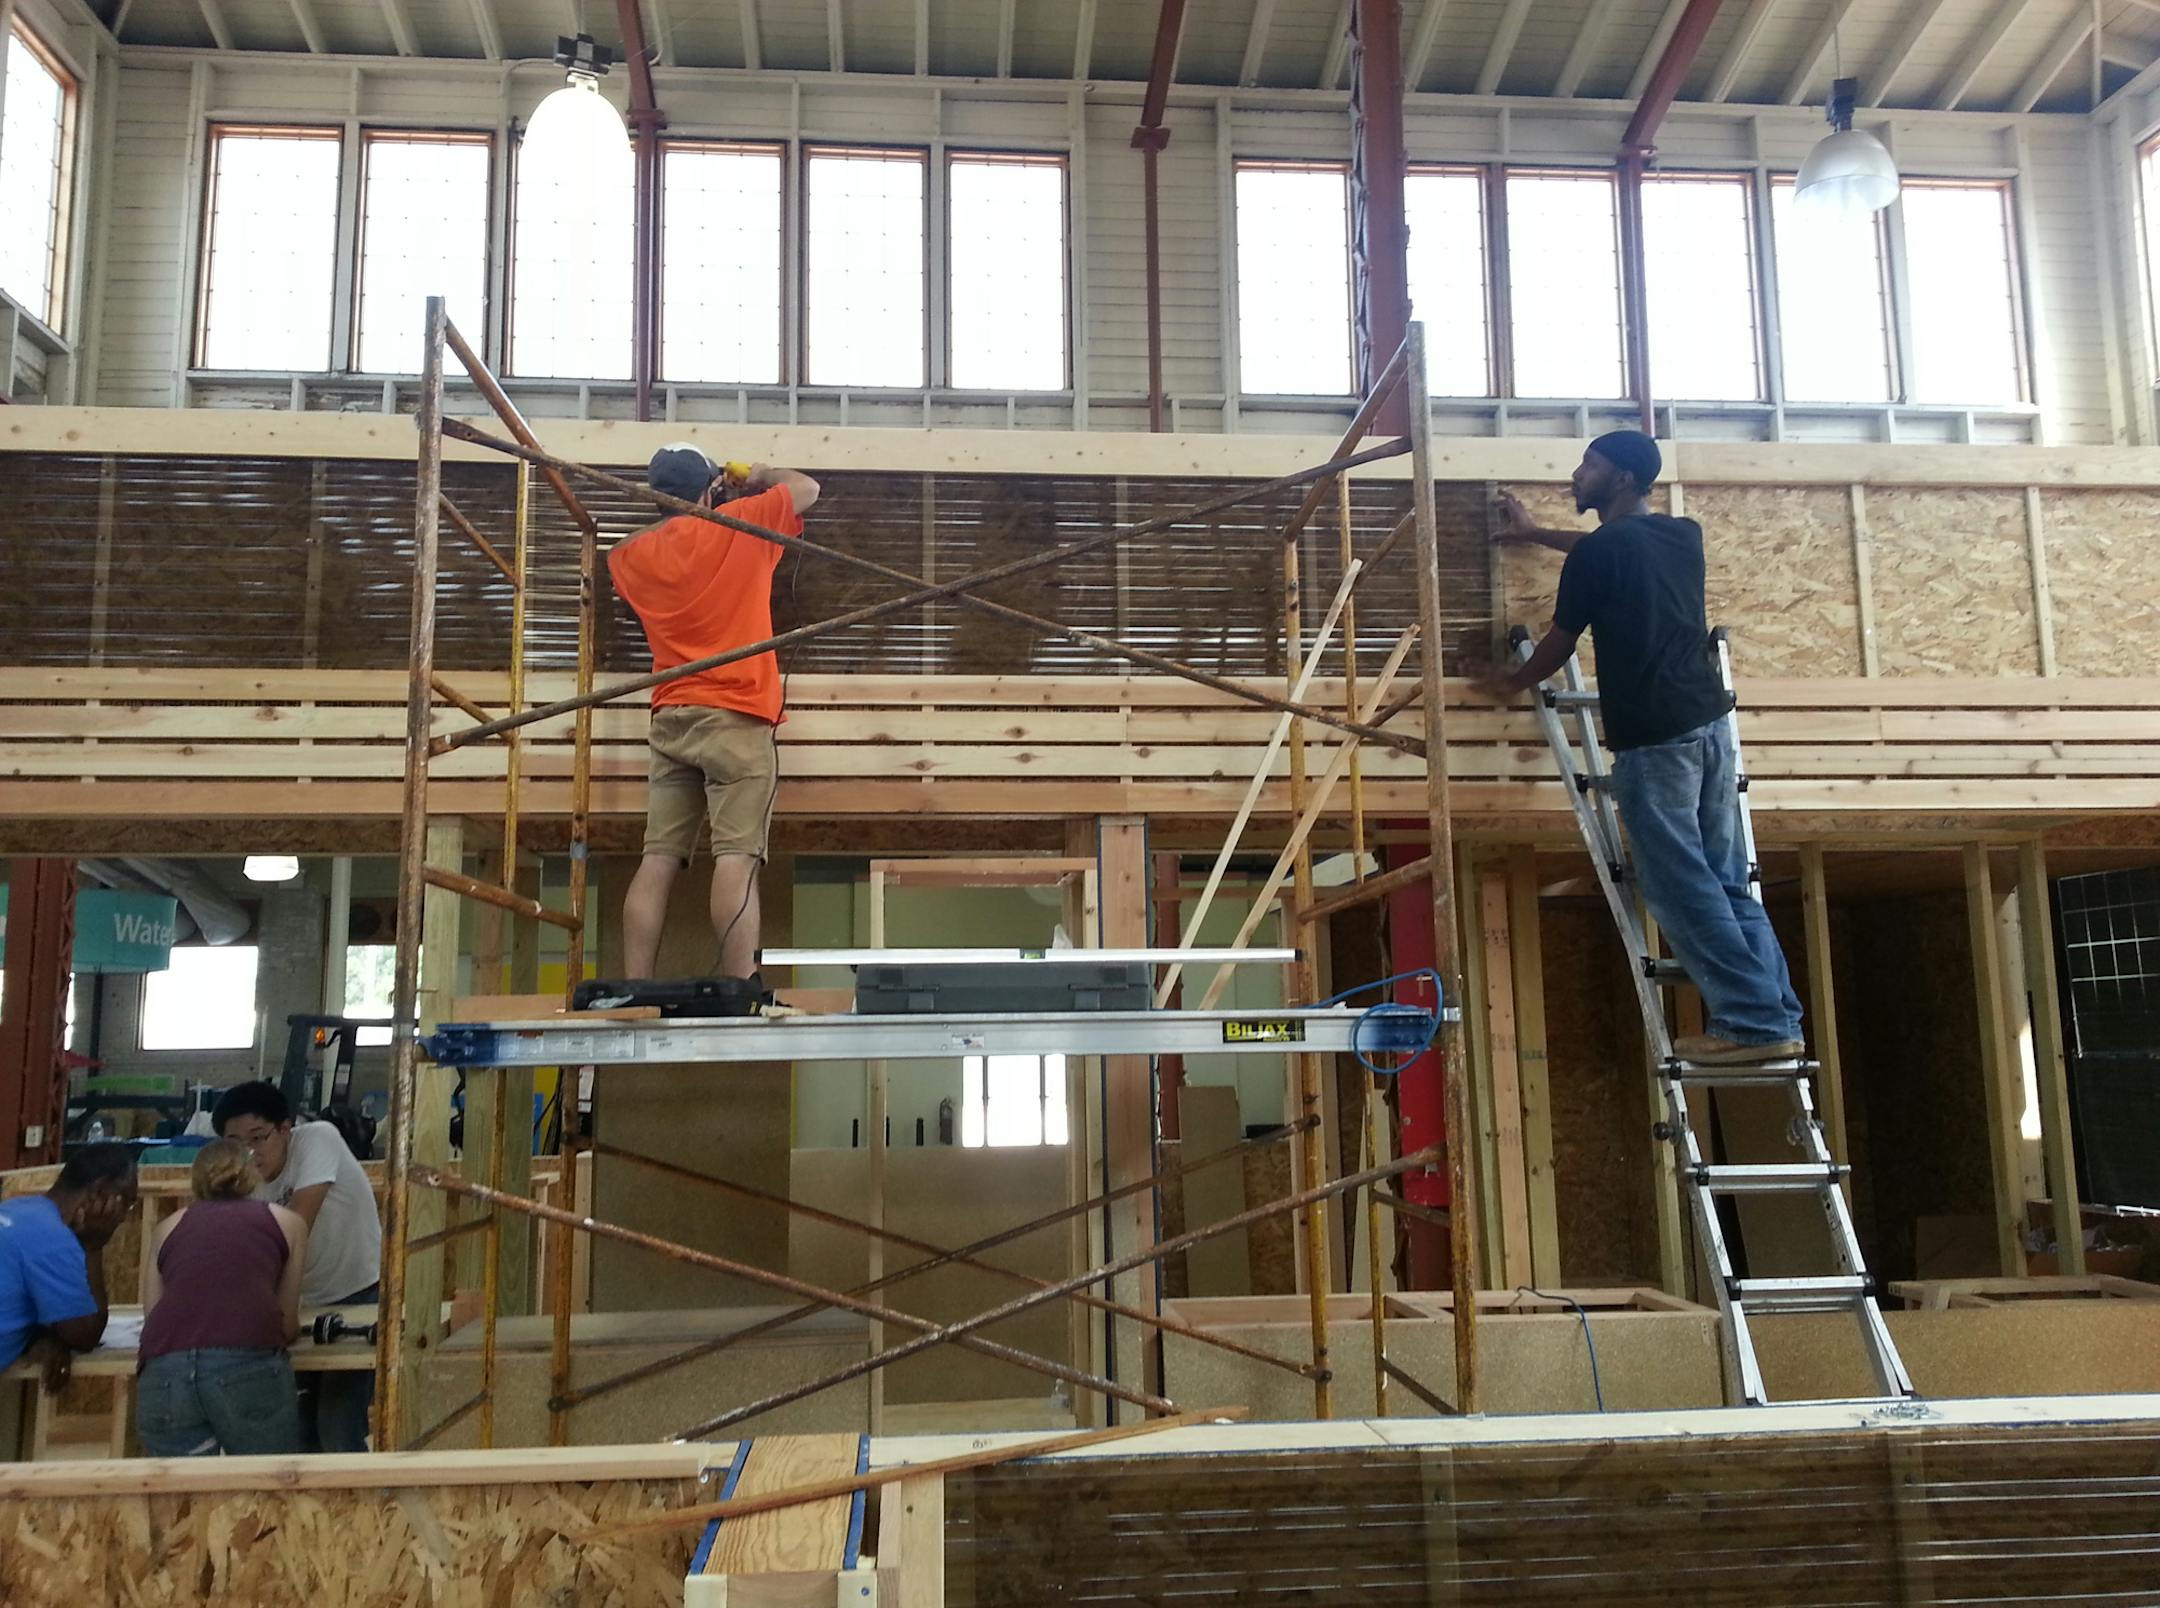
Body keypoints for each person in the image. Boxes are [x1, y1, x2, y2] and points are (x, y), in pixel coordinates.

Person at [1489, 430, 1805, 1066]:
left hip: (1657, 740)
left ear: (1623, 479)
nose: (1577, 475)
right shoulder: (1681, 536)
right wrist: (1536, 534)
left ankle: (1749, 1022)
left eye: (1590, 466)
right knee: (1724, 879)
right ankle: (1774, 1016)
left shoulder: (1601, 556)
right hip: (1710, 726)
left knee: (1679, 884)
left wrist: (1506, 684)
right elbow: (1603, 551)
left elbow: (1558, 645)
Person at [607, 445, 823, 982]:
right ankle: (739, 988)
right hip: (737, 713)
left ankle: (635, 988)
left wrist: (706, 499)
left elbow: (656, 541)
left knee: (657, 858)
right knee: (736, 857)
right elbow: (807, 489)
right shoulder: (742, 523)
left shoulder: (627, 558)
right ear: (710, 490)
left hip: (672, 716)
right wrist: (754, 477)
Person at [211, 1080, 380, 1451]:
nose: (249, 1152)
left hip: (357, 1296)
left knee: (338, 1424)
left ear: (285, 1129)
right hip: (297, 1306)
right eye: (235, 1144)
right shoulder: (238, 1177)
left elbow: (295, 1225)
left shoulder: (318, 1139)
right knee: (298, 1427)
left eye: (259, 1137)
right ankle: (311, 1511)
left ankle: (354, 1508)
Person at [136, 1138, 307, 1457]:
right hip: (248, 1364)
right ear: (251, 1175)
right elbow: (286, 1323)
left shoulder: (166, 1228)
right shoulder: (288, 1223)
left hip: (165, 1372)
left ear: (195, 1181)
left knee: (182, 1500)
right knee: (265, 1490)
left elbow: (153, 1316)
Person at [0, 1143, 136, 1390]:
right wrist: (94, 1246)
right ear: (99, 1192)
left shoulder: (18, 1209)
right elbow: (85, 1334)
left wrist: (42, 1337)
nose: (123, 1216)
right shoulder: (54, 1239)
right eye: (126, 1202)